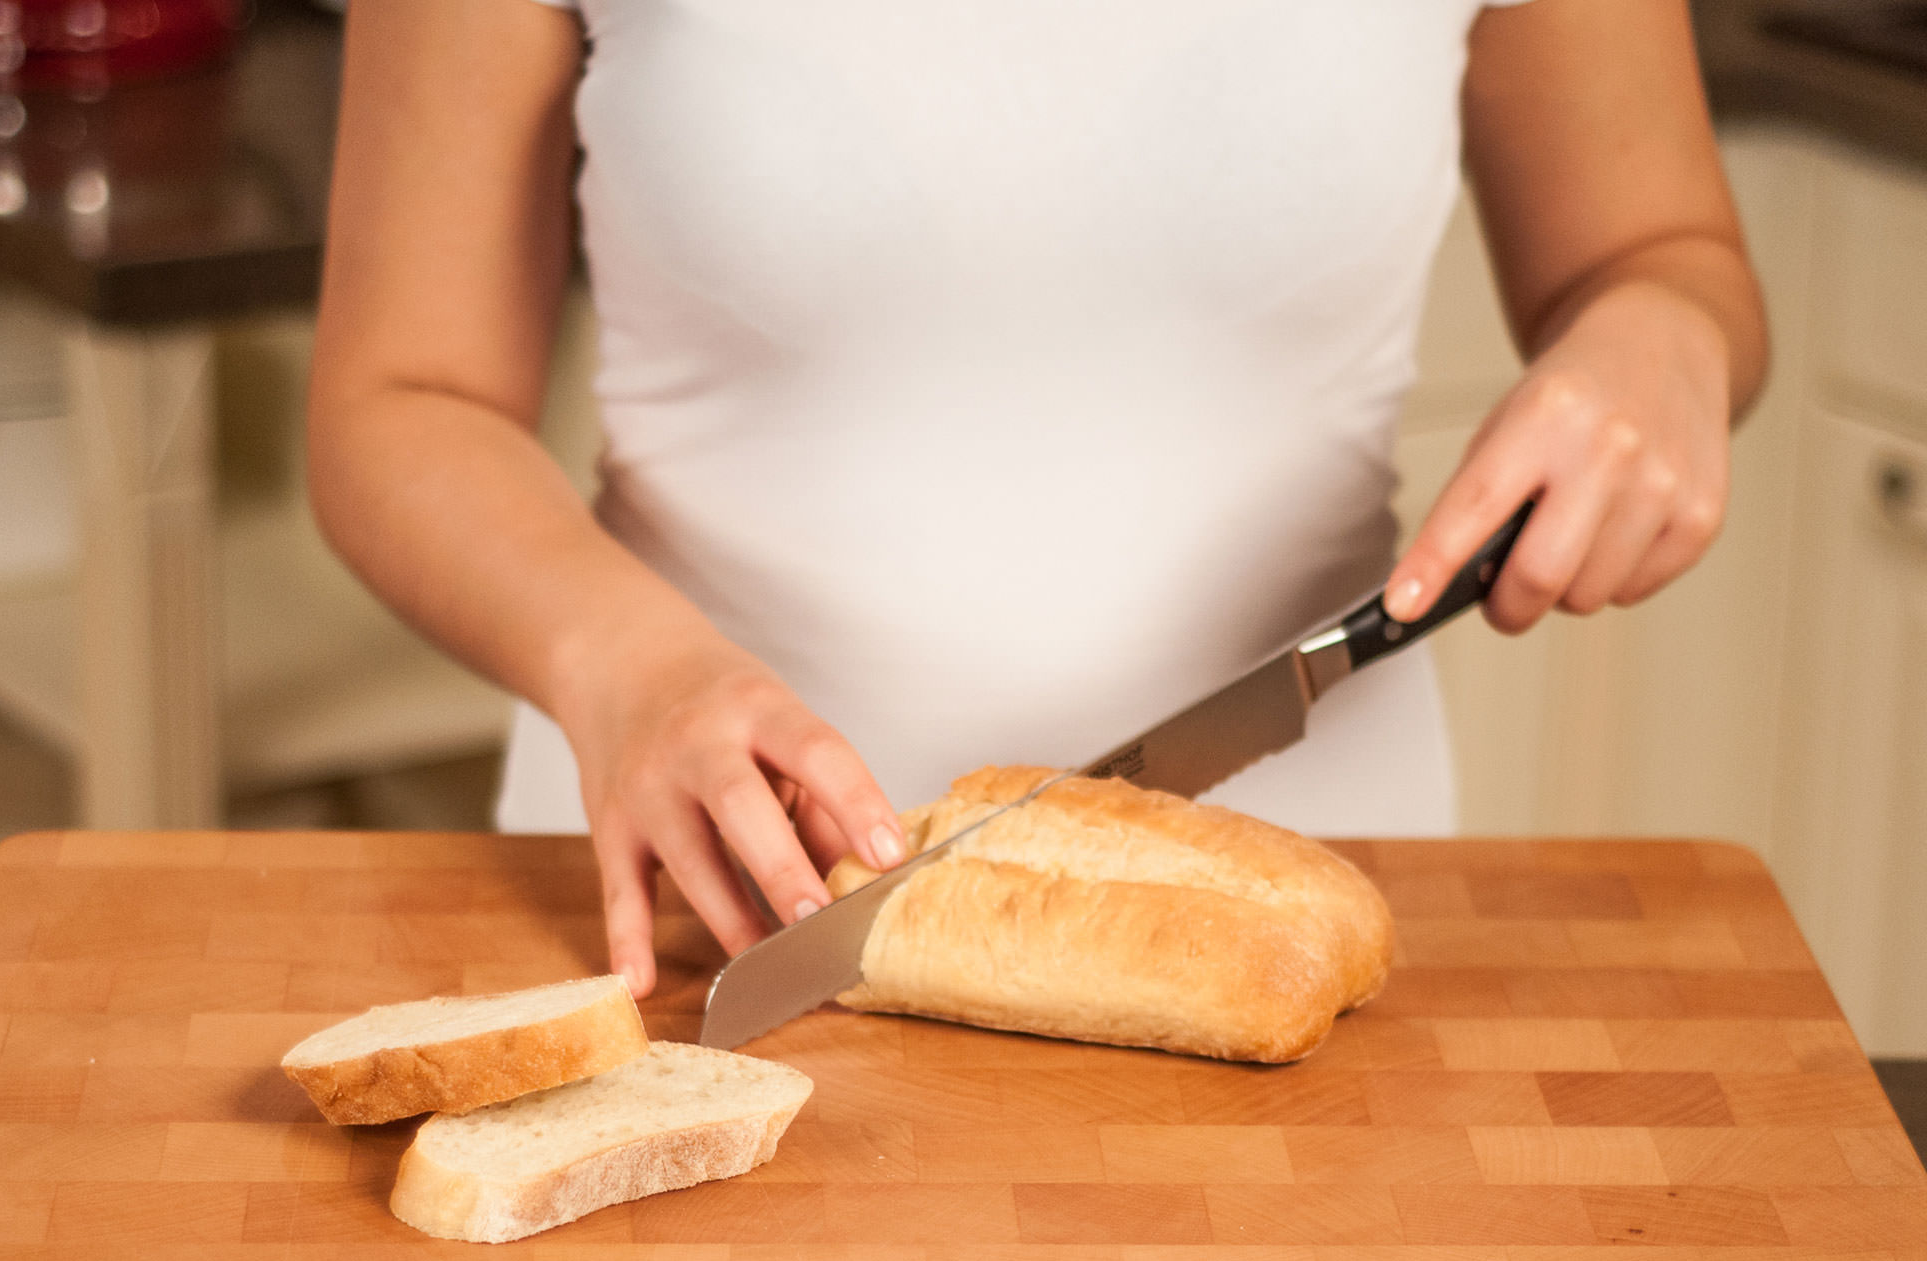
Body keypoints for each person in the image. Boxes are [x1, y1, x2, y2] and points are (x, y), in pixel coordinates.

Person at [306, 0, 1767, 999]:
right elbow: (399, 400)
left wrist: (1663, 339)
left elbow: (1662, 251)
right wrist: (624, 665)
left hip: (1295, 930)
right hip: (705, 917)